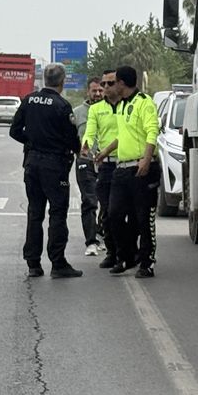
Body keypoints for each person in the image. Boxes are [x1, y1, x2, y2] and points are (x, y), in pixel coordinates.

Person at [9, 63, 83, 279]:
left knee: (35, 212)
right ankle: (58, 263)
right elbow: (71, 138)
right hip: (55, 166)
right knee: (57, 213)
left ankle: (33, 263)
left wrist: (32, 142)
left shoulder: (29, 100)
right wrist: (77, 152)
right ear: (63, 81)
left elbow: (14, 131)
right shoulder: (62, 105)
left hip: (32, 163)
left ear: (44, 79)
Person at [96, 66, 160, 278]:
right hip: (121, 170)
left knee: (143, 219)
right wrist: (105, 151)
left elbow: (152, 132)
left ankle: (147, 262)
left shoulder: (144, 103)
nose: (110, 86)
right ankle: (125, 256)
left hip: (142, 169)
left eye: (113, 83)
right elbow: (123, 135)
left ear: (122, 83)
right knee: (113, 215)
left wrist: (147, 159)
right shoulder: (123, 106)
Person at [82, 70, 125, 268]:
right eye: (103, 84)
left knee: (129, 213)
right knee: (108, 212)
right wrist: (86, 144)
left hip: (128, 163)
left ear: (120, 85)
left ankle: (131, 252)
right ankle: (113, 252)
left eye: (110, 84)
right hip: (106, 165)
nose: (105, 88)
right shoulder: (96, 109)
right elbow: (90, 132)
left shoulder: (130, 106)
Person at [72, 77, 104, 256]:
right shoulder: (77, 113)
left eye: (100, 90)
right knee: (90, 201)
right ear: (88, 92)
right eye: (94, 91)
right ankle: (91, 241)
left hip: (107, 163)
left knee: (108, 204)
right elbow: (70, 138)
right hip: (86, 163)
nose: (98, 94)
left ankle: (102, 233)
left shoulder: (111, 111)